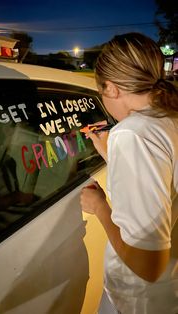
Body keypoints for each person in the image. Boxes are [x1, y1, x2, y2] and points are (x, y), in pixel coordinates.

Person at [80, 32, 178, 314]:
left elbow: (149, 264)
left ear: (110, 88)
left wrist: (100, 207)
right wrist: (113, 155)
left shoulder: (133, 134)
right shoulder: (168, 116)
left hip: (142, 301)